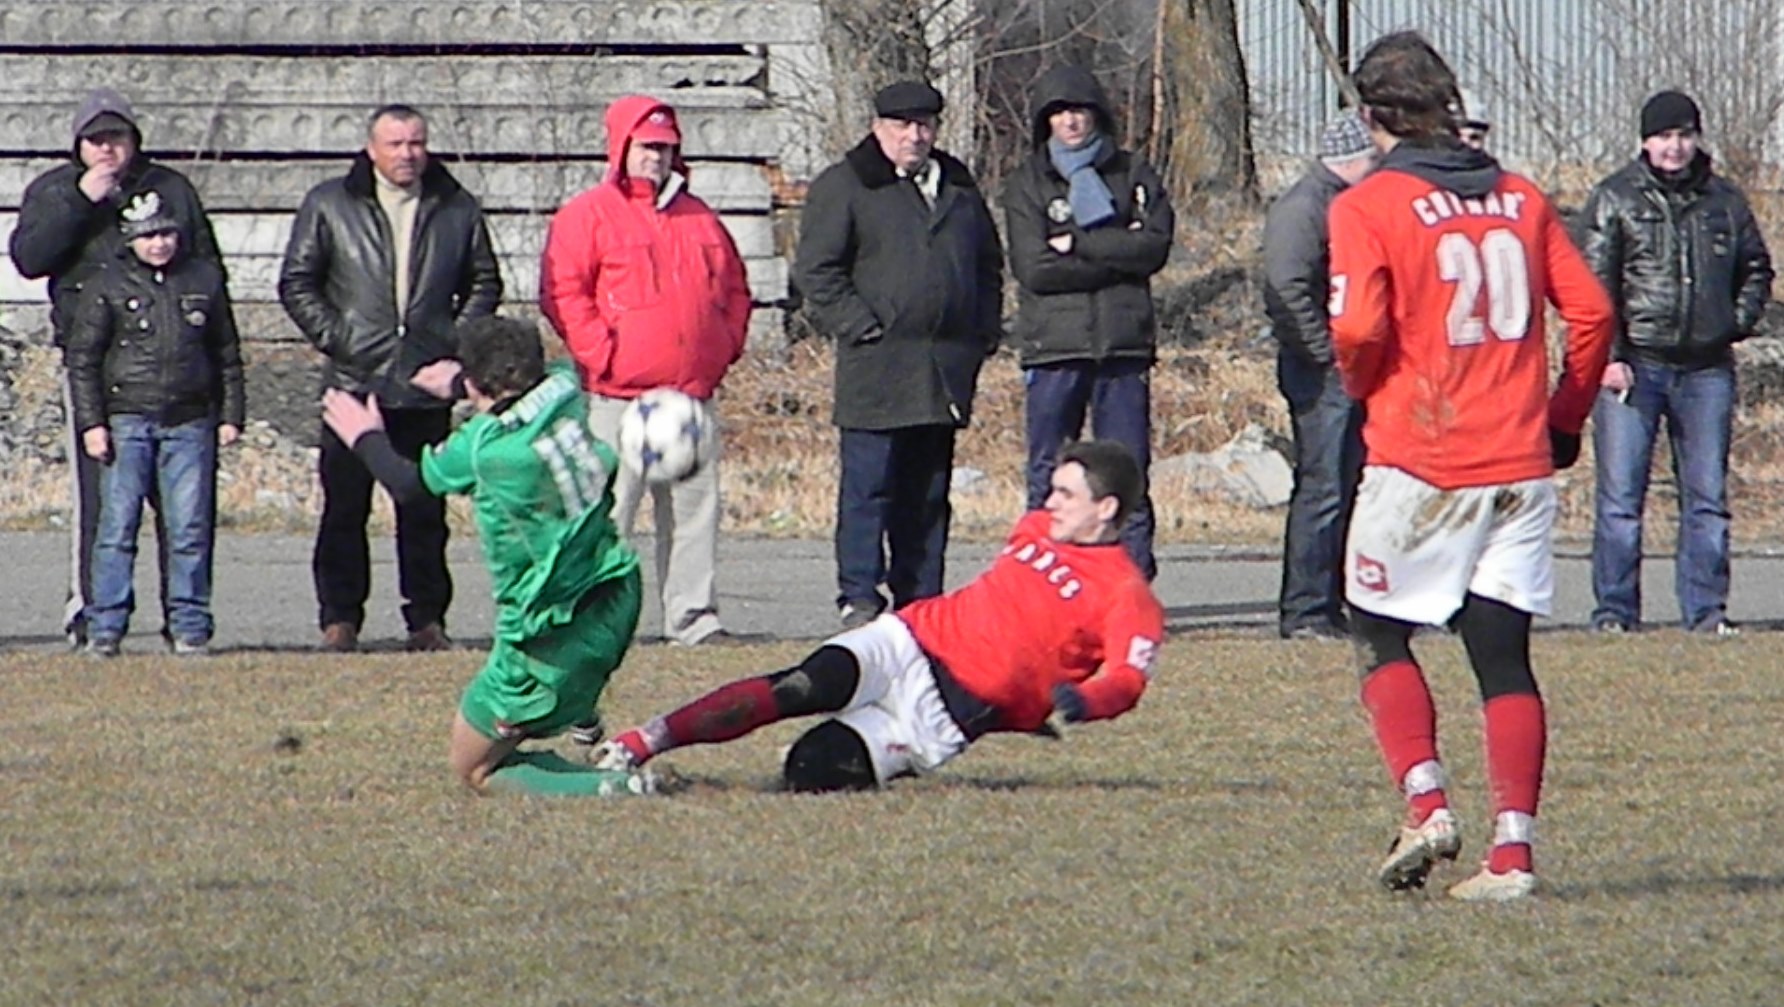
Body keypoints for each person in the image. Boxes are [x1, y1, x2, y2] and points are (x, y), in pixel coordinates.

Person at [1326, 32, 1615, 901]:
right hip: (1521, 463)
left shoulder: (1368, 206)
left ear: (1373, 118)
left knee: (1376, 625)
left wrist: (1365, 388)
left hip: (1426, 456)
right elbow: (1594, 315)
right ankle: (1514, 855)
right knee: (1501, 654)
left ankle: (1427, 801)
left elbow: (1357, 331)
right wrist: (1563, 417)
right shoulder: (1520, 197)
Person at [591, 440, 1163, 793]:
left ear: (1105, 508)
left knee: (811, 771)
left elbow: (1128, 679)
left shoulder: (1124, 593)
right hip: (910, 640)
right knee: (807, 683)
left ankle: (825, 753)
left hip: (943, 717)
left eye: (1066, 494)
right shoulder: (1036, 527)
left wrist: (1083, 702)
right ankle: (642, 742)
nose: (1050, 502)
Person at [320, 316, 651, 798]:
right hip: (615, 594)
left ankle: (612, 786)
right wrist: (460, 382)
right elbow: (545, 373)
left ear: (476, 382)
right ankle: (580, 710)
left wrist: (364, 435)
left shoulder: (487, 448)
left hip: (545, 637)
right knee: (556, 692)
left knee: (474, 768)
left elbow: (411, 488)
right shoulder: (565, 388)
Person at [279, 103, 503, 653]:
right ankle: (340, 619)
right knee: (343, 510)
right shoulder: (330, 203)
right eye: (396, 144)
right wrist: (345, 339)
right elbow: (297, 283)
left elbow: (484, 282)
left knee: (424, 509)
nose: (408, 154)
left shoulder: (456, 207)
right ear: (371, 148)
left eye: (416, 143)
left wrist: (452, 346)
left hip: (426, 388)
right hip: (353, 384)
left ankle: (426, 619)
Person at [8, 87, 223, 648]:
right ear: (77, 145)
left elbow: (207, 270)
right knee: (104, 502)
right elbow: (31, 259)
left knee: (183, 507)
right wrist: (82, 201)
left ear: (135, 140)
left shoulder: (169, 189)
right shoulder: (55, 190)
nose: (107, 151)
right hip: (94, 363)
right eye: (95, 140)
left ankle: (186, 619)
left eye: (117, 139)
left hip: (176, 365)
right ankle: (94, 612)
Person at [539, 95, 752, 647]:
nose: (656, 158)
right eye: (646, 147)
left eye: (666, 148)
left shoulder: (699, 217)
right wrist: (602, 354)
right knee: (608, 516)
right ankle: (595, 622)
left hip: (687, 398)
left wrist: (722, 347)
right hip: (618, 398)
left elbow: (734, 290)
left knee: (692, 515)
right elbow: (563, 292)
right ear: (621, 148)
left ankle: (693, 619)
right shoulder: (586, 216)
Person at [796, 80, 1004, 629]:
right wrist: (861, 326)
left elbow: (987, 263)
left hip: (943, 370)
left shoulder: (956, 184)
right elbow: (817, 272)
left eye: (925, 124)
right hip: (877, 367)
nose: (915, 136)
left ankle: (921, 597)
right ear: (878, 127)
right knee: (870, 487)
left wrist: (981, 331)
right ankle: (860, 594)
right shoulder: (845, 186)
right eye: (903, 125)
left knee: (929, 491)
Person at [1581, 91, 1773, 636]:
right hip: (1635, 366)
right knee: (1621, 498)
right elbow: (1594, 291)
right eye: (1665, 136)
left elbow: (1756, 267)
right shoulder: (1614, 198)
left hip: (1706, 369)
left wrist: (1733, 319)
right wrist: (1609, 358)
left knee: (1707, 496)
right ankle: (1615, 612)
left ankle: (1706, 610)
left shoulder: (1725, 202)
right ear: (1645, 141)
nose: (1675, 147)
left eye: (1684, 135)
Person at [1003, 64, 1175, 581]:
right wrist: (1117, 256)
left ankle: (1132, 580)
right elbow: (1034, 268)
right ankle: (1042, 579)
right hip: (1055, 346)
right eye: (1058, 113)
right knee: (1048, 472)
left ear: (1096, 115)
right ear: (1044, 122)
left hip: (1122, 344)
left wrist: (1080, 243)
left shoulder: (1132, 172)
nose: (1070, 122)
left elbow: (1153, 247)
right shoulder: (1028, 183)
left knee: (1127, 470)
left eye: (1078, 110)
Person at [63, 193, 245, 657]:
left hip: (190, 422)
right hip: (126, 419)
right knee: (117, 530)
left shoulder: (204, 280)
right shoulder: (107, 284)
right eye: (148, 236)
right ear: (131, 239)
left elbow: (226, 354)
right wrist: (92, 423)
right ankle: (106, 627)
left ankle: (189, 625)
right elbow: (83, 361)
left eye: (166, 233)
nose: (158, 244)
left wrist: (230, 415)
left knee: (189, 529)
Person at [1261, 109, 1378, 640]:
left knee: (1350, 482)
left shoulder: (1345, 204)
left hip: (1348, 366)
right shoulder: (1306, 208)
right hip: (1320, 370)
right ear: (1352, 158)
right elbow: (1286, 286)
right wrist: (1324, 351)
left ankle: (1334, 602)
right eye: (1373, 158)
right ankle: (1306, 608)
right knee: (1323, 484)